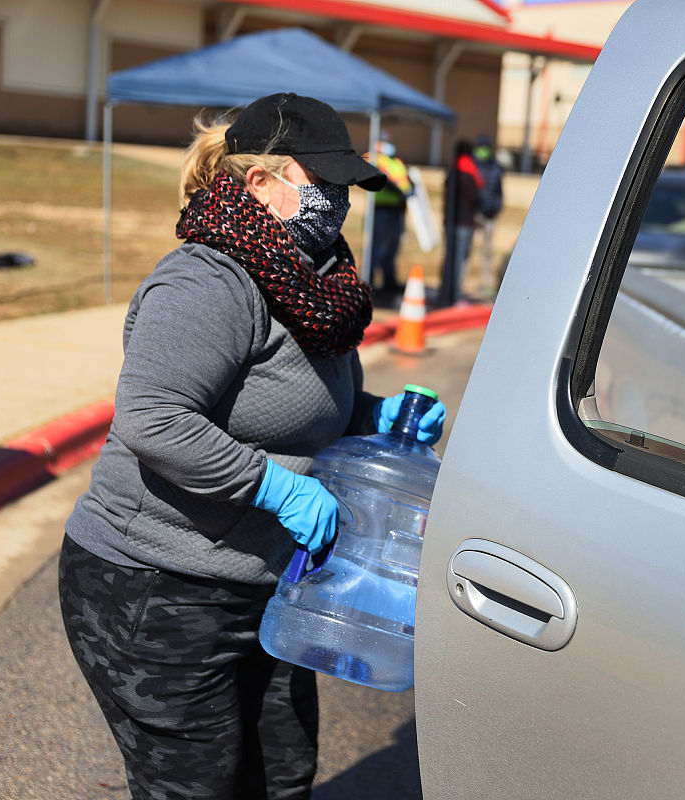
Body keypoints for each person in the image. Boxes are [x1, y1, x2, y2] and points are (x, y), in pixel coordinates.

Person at [57, 92, 447, 800]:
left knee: (282, 774)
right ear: (260, 181)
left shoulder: (314, 280)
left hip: (263, 586)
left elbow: (291, 409)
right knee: (202, 787)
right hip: (155, 588)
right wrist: (277, 487)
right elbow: (154, 417)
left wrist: (376, 415)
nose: (338, 199)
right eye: (321, 181)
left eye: (344, 185)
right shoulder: (208, 280)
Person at [368, 131, 413, 298]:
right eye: (384, 142)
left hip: (397, 209)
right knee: (379, 245)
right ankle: (370, 279)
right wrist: (398, 190)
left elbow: (405, 180)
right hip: (382, 209)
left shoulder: (397, 162)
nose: (387, 145)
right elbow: (384, 180)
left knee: (393, 246)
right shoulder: (375, 160)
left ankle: (389, 281)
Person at [441, 139, 483, 306]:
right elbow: (475, 197)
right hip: (463, 223)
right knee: (458, 261)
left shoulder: (452, 170)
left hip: (451, 222)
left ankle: (446, 295)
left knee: (450, 259)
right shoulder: (468, 171)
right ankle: (455, 296)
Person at [473, 134, 505, 299]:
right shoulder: (472, 166)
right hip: (475, 214)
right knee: (467, 250)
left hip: (490, 215)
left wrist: (497, 208)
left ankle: (485, 283)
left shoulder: (495, 168)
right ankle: (462, 284)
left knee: (487, 251)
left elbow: (499, 192)